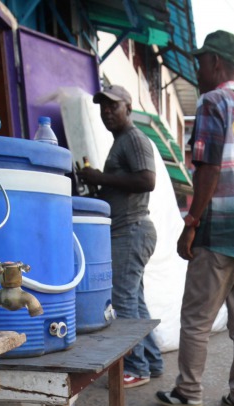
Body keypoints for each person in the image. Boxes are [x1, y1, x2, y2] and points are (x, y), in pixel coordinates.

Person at [155, 30, 234, 406]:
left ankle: (188, 391)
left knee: (197, 317)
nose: (196, 68)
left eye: (201, 61)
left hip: (219, 230)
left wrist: (192, 222)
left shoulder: (211, 103)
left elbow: (209, 168)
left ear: (216, 63)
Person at [78, 84, 163, 387]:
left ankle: (136, 367)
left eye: (113, 106)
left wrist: (100, 177)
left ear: (128, 107)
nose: (107, 111)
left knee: (124, 301)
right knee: (134, 302)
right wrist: (98, 185)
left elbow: (147, 180)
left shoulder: (133, 139)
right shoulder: (122, 142)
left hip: (131, 229)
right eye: (103, 106)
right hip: (131, 229)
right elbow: (125, 183)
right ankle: (151, 361)